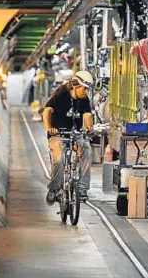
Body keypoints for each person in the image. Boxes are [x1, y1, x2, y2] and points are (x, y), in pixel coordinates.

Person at [42, 70, 94, 205]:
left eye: (87, 89)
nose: (86, 92)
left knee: (86, 149)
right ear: (76, 85)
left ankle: (82, 189)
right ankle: (54, 189)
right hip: (58, 134)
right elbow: (47, 111)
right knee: (59, 160)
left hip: (75, 133)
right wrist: (49, 128)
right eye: (84, 88)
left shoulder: (84, 99)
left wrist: (89, 128)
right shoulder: (61, 95)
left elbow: (87, 115)